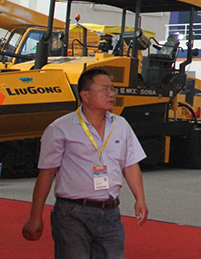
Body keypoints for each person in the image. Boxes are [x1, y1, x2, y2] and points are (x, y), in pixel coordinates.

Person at [21, 67, 148, 255]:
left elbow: (130, 164)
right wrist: (35, 216)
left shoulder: (121, 125)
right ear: (85, 95)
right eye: (104, 89)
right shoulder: (60, 128)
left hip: (110, 213)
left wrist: (140, 199)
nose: (111, 94)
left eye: (112, 89)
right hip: (73, 213)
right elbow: (47, 173)